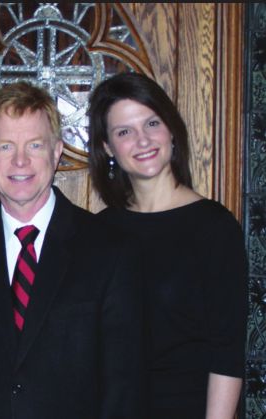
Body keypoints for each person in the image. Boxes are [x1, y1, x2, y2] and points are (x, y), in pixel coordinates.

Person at [0, 81, 145, 419]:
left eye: (35, 145)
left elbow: (124, 390)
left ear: (56, 153)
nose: (20, 160)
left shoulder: (110, 251)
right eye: (6, 146)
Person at [87, 72, 248, 419]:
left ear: (171, 129)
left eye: (152, 123)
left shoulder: (214, 227)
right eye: (124, 132)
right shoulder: (98, 232)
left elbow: (227, 350)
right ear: (108, 147)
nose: (142, 140)